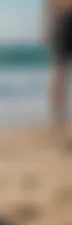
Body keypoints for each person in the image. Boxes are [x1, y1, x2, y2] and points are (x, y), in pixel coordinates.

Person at [43, 0, 72, 140]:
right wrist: (46, 27)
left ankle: (58, 121)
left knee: (59, 75)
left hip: (62, 20)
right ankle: (56, 120)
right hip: (62, 21)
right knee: (59, 75)